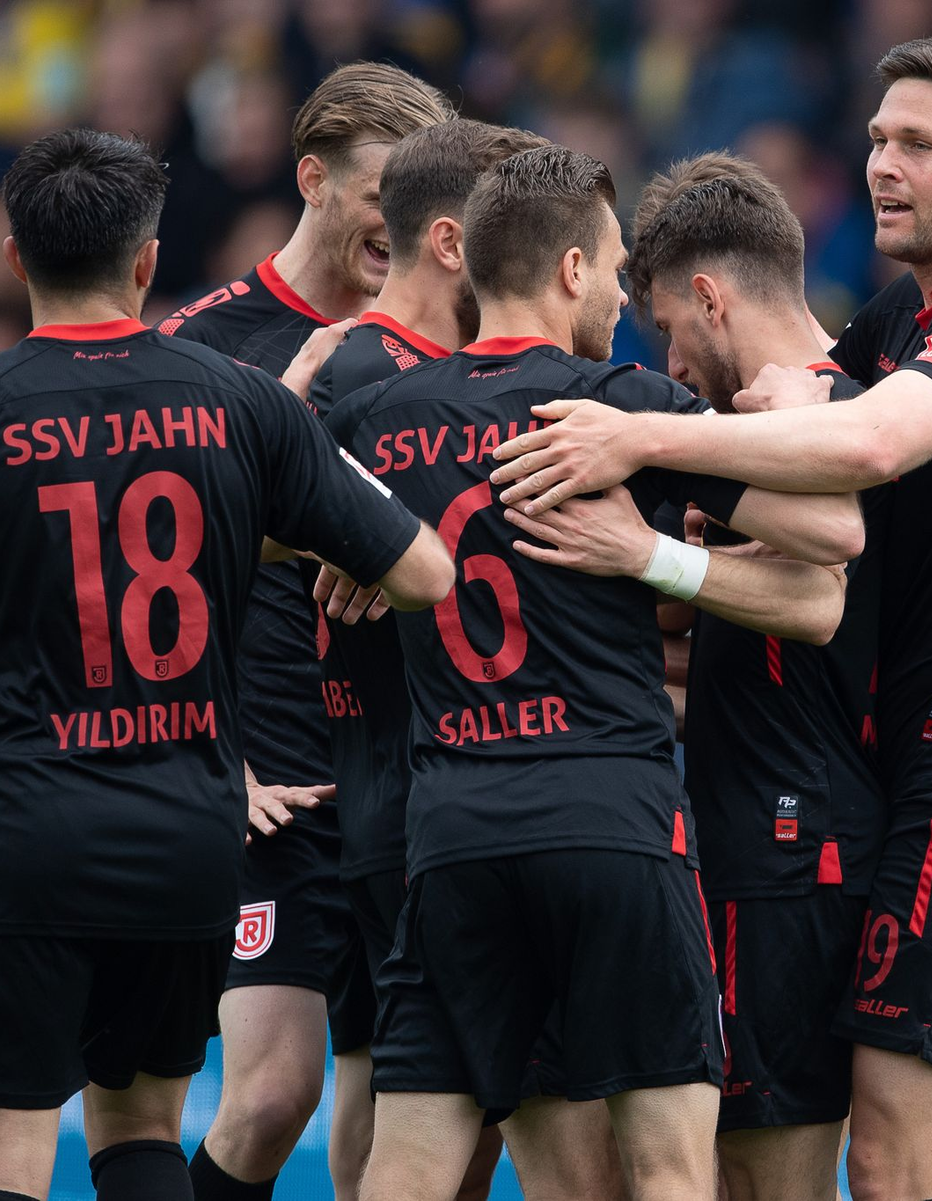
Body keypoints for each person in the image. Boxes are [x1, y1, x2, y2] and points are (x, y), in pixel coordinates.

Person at [490, 37, 932, 1201]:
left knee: (897, 1166)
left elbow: (869, 447)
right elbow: (858, 415)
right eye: (877, 138)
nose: (883, 164)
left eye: (918, 143)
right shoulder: (893, 323)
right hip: (925, 765)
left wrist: (644, 436)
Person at [322, 144, 862, 1201]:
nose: (622, 295)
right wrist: (662, 525)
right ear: (571, 269)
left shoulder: (375, 418)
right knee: (667, 1168)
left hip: (452, 838)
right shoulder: (617, 407)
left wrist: (347, 540)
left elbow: (255, 521)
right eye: (614, 267)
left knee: (409, 1170)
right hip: (613, 827)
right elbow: (831, 538)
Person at [0, 128, 452, 1201]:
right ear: (148, 258)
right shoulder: (244, 402)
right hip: (189, 835)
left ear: (16, 257)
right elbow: (426, 571)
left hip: (30, 827)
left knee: (16, 1133)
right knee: (143, 1130)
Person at [156, 62, 458, 1200]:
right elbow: (149, 579)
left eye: (424, 200)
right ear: (313, 180)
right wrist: (213, 759)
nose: (405, 224)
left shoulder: (453, 333)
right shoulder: (203, 348)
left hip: (413, 769)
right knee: (274, 1092)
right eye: (383, 194)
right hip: (272, 773)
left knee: (405, 1106)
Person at [303, 116, 548, 1194]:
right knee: (459, 1119)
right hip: (418, 796)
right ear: (453, 242)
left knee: (410, 1102)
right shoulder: (364, 372)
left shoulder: (404, 372)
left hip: (412, 797)